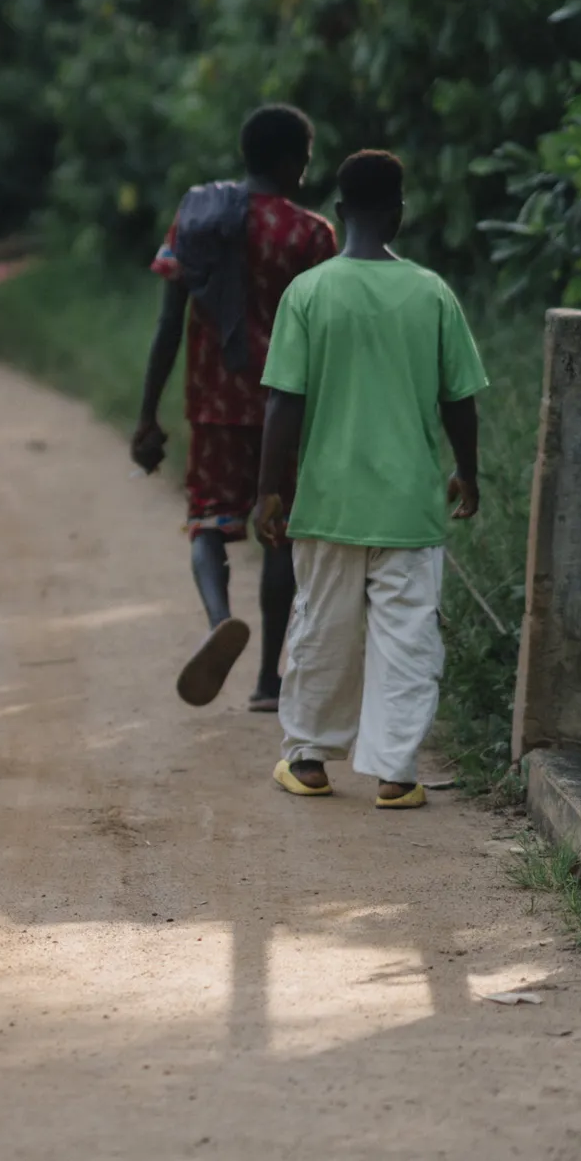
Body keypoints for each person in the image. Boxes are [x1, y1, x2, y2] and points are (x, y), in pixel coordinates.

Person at [254, 149, 488, 808]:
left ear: (337, 213)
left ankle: (307, 760)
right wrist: (466, 472)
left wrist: (271, 490)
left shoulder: (310, 292)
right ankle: (396, 773)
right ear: (400, 215)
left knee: (321, 628)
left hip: (327, 501)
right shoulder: (432, 292)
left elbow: (283, 403)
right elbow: (459, 399)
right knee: (407, 637)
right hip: (410, 507)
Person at [133, 105, 337, 710]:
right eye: (304, 159)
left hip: (213, 400)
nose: (306, 170)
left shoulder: (198, 218)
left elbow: (169, 323)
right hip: (287, 409)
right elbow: (326, 334)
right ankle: (269, 683)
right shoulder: (311, 234)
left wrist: (148, 413)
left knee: (208, 523)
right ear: (288, 161)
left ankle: (220, 619)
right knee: (279, 532)